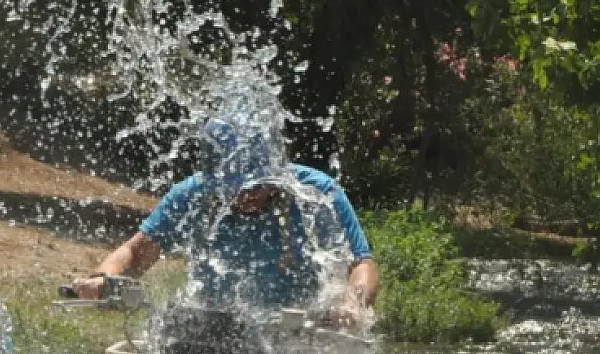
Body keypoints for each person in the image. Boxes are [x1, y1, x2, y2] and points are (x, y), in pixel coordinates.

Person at [70, 115, 378, 326]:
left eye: (260, 184)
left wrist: (352, 306)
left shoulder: (316, 193)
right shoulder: (192, 194)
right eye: (238, 187)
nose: (250, 195)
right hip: (211, 334)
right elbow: (136, 253)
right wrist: (104, 278)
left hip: (300, 334)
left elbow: (361, 264)